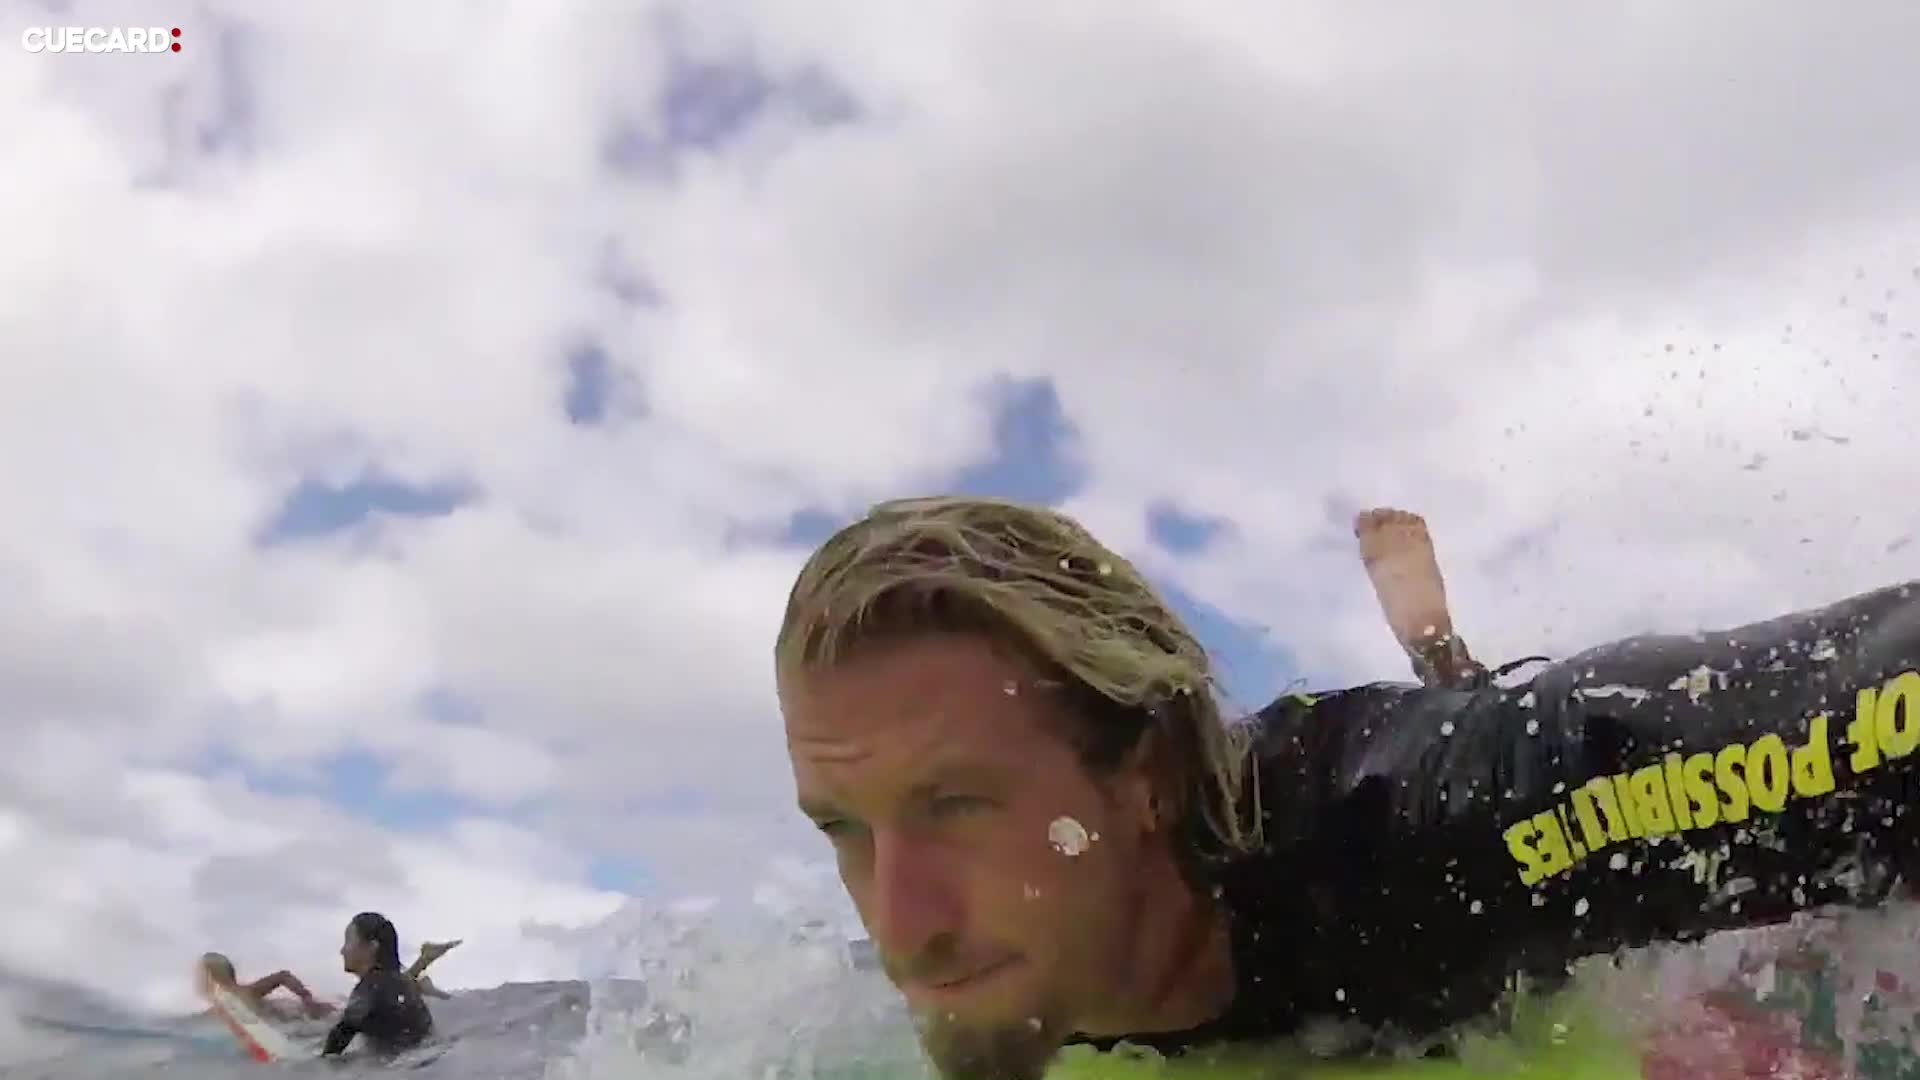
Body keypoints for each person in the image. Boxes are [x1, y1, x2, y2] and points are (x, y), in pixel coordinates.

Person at [774, 494, 1920, 1080]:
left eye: (957, 808)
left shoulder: (1410, 834)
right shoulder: (988, 944)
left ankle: (1436, 644)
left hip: (1435, 811)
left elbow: (1842, 716)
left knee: (1488, 726)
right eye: (843, 829)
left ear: (1147, 780)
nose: (901, 926)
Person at [195, 938, 460, 1023]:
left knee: (376, 1006)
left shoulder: (237, 997)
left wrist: (308, 1001)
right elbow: (283, 976)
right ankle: (421, 975)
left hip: (311, 1026)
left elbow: (282, 975)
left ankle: (420, 970)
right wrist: (307, 1000)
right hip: (305, 1023)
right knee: (379, 1004)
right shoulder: (244, 994)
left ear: (211, 975)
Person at [319, 912, 435, 1057]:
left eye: (348, 941)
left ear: (372, 947)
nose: (342, 951)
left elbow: (338, 1039)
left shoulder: (369, 988)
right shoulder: (403, 983)